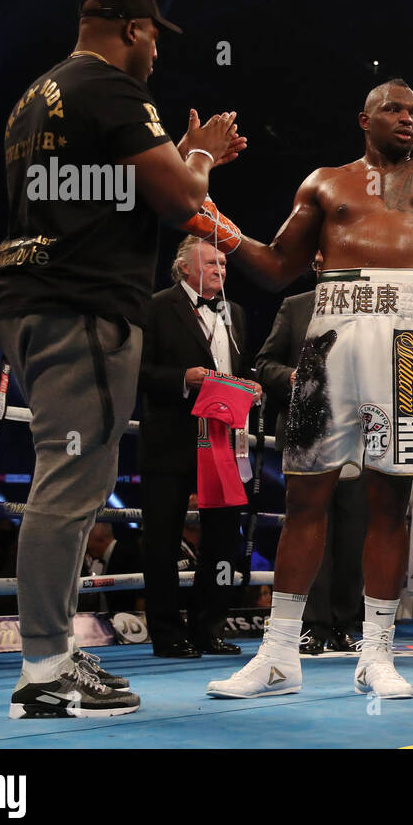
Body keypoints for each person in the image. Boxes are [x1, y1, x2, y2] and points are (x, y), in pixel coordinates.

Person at [207, 0, 413, 700]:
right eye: (394, 108)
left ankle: (377, 650)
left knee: (389, 494)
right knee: (306, 491)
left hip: (407, 336)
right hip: (332, 330)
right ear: (364, 118)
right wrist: (210, 222)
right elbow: (277, 266)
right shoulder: (326, 183)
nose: (409, 117)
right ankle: (279, 651)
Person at [0, 0, 246, 717]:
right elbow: (179, 199)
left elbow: (101, 190)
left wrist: (177, 159)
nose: (160, 50)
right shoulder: (110, 88)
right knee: (70, 481)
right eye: (156, 35)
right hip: (81, 304)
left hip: (28, 297)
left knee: (67, 474)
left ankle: (55, 654)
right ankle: (42, 667)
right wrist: (197, 154)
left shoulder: (33, 97)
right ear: (132, 30)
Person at [138, 236, 262, 658]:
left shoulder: (236, 314)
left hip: (224, 443)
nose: (220, 271)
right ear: (185, 268)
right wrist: (182, 378)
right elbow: (138, 371)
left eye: (224, 265)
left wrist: (251, 384)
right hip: (171, 439)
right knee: (162, 538)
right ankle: (167, 634)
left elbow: (241, 368)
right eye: (212, 263)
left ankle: (210, 629)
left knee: (223, 537)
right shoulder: (157, 306)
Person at [255, 261, 369, 656]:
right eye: (322, 262)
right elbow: (264, 362)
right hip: (307, 434)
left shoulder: (368, 308)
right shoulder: (295, 305)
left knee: (353, 531)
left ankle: (345, 625)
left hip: (357, 433)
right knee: (309, 524)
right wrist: (292, 377)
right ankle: (312, 625)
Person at [82, 522, 143, 614]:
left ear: (99, 539)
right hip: (114, 620)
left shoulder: (124, 554)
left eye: (88, 541)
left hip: (126, 621)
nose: (87, 547)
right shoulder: (111, 556)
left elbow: (140, 593)